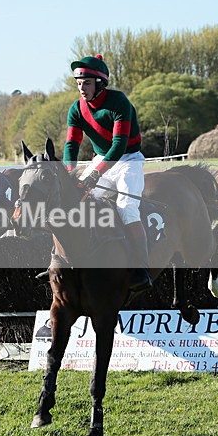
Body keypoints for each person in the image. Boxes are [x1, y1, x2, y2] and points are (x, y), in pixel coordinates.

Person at [63, 54, 151, 293]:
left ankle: (141, 269)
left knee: (126, 208)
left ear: (100, 83)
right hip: (102, 159)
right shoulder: (76, 109)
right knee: (77, 201)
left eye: (87, 83)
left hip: (128, 160)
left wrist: (95, 174)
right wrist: (70, 172)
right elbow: (72, 144)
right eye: (79, 83)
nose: (81, 88)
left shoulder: (119, 101)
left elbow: (119, 145)